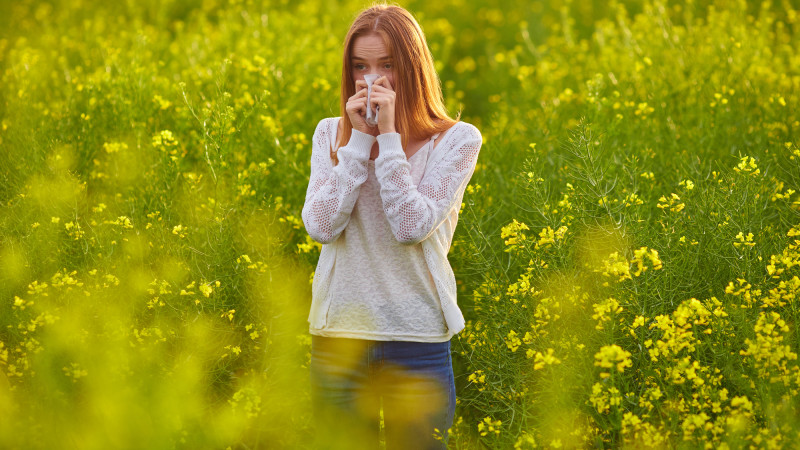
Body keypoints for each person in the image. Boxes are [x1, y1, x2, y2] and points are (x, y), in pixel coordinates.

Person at [301, 4, 482, 449]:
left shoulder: (457, 139)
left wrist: (388, 139)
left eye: (387, 65)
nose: (371, 80)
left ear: (413, 67)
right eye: (360, 66)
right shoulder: (330, 134)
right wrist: (359, 140)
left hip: (416, 339)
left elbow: (410, 225)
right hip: (338, 338)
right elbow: (321, 226)